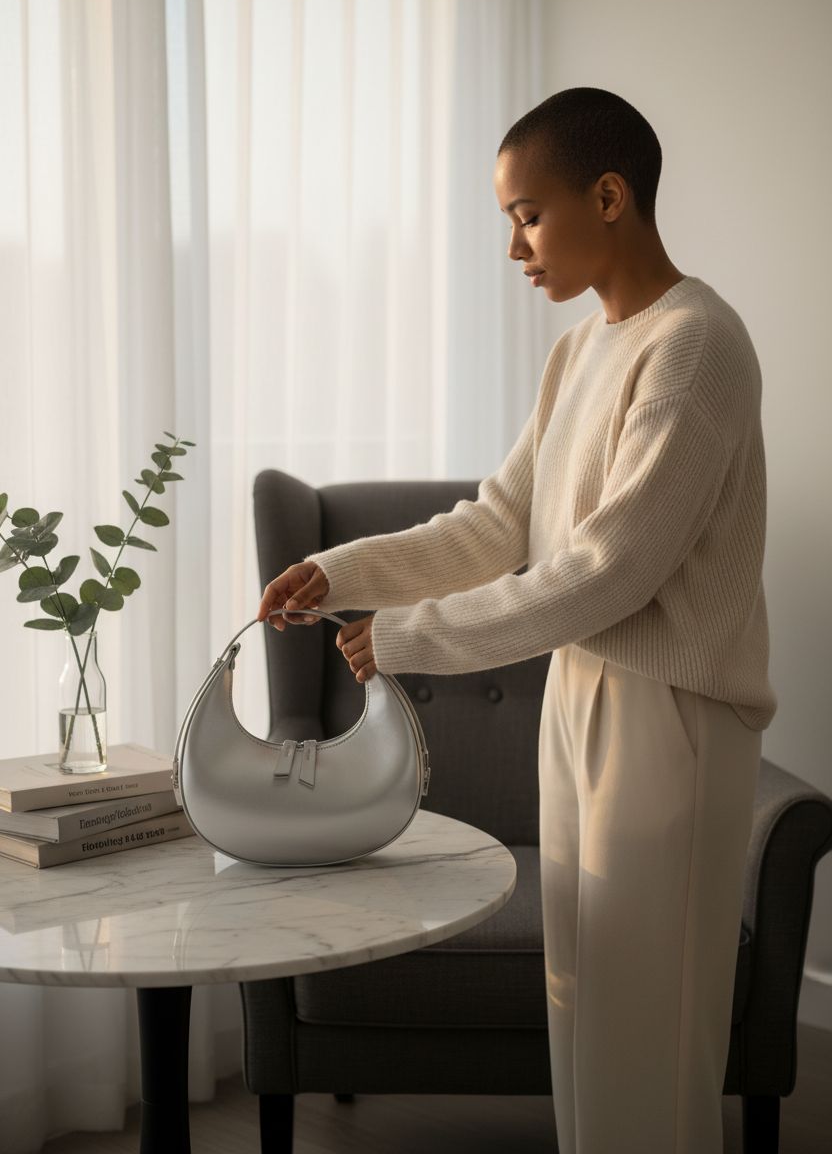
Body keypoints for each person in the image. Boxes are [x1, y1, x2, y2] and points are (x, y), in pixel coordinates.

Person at [256, 86, 777, 1154]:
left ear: (608, 196)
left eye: (526, 215)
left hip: (666, 718)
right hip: (577, 699)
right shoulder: (581, 351)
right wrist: (338, 569)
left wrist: (404, 640)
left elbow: (605, 572)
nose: (513, 246)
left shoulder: (695, 347)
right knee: (584, 1019)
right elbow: (501, 524)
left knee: (647, 1038)